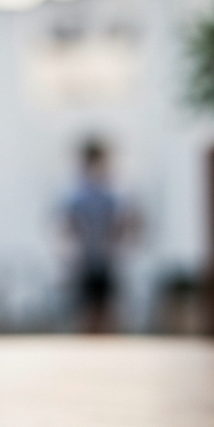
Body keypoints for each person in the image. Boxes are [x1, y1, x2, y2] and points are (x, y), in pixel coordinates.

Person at [64, 139, 133, 333]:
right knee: (86, 311)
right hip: (85, 259)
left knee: (107, 311)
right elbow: (70, 225)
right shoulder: (77, 194)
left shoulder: (111, 194)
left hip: (105, 259)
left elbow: (120, 225)